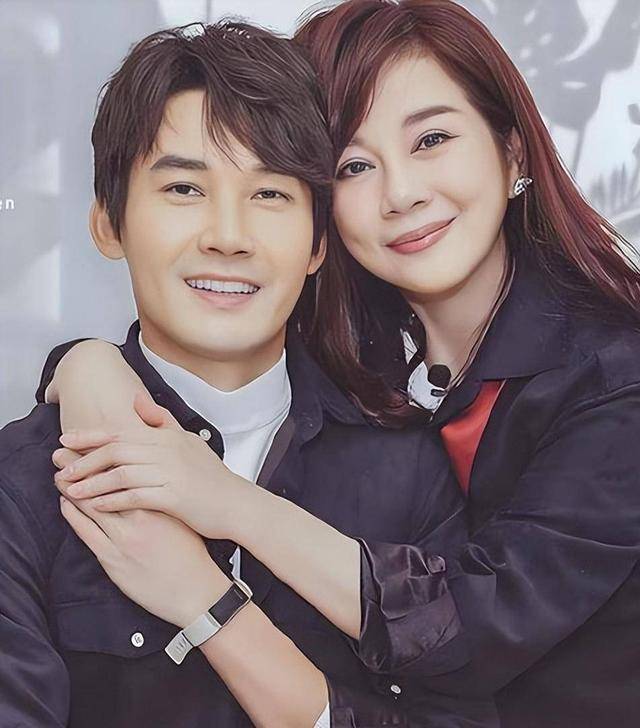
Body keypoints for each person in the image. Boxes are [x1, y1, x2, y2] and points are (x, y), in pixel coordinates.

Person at [36, 0, 640, 726]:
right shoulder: (359, 366)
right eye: (355, 165)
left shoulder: (614, 378)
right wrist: (88, 364)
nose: (401, 194)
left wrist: (224, 509)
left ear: (512, 152)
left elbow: (474, 628)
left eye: (432, 139)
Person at [0, 19, 494, 728]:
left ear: (319, 244)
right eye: (184, 189)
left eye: (269, 195)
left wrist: (210, 602)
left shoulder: (408, 469)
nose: (229, 237)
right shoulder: (27, 481)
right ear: (109, 223)